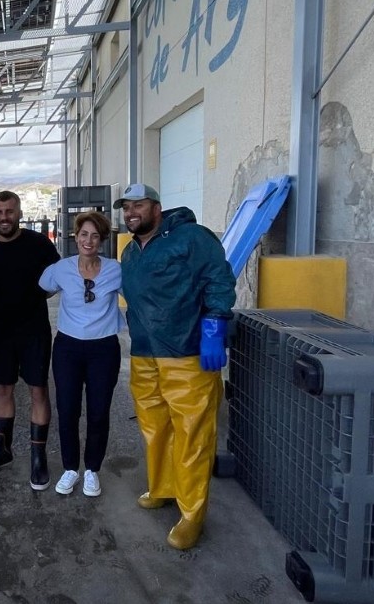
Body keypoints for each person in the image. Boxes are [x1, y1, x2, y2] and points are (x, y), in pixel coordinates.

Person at [114, 183, 236, 550]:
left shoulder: (191, 237)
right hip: (144, 353)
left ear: (157, 207)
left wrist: (214, 325)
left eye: (138, 205)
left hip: (186, 353)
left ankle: (192, 514)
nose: (131, 213)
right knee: (155, 427)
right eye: (126, 207)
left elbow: (218, 278)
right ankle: (163, 487)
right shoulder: (130, 252)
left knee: (192, 434)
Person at [0, 190, 60, 490]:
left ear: (19, 213)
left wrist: (40, 295)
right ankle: (1, 451)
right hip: (0, 331)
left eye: (9, 211)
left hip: (34, 330)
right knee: (2, 389)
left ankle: (38, 459)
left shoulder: (39, 244)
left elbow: (57, 279)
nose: (4, 217)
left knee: (38, 391)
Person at [39, 211, 125, 498]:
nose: (89, 240)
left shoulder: (115, 270)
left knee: (99, 411)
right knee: (67, 409)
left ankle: (92, 470)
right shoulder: (60, 269)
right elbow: (41, 290)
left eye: (95, 236)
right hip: (68, 348)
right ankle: (70, 468)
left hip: (104, 349)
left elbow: (138, 296)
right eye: (84, 234)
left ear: (103, 240)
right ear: (75, 237)